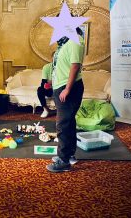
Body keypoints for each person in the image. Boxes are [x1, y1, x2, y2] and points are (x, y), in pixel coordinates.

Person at [46, 27, 85, 173]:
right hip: (61, 87)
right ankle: (69, 155)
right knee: (68, 123)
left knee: (62, 124)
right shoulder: (64, 43)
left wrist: (67, 89)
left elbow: (75, 66)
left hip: (68, 88)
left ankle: (63, 161)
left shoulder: (76, 40)